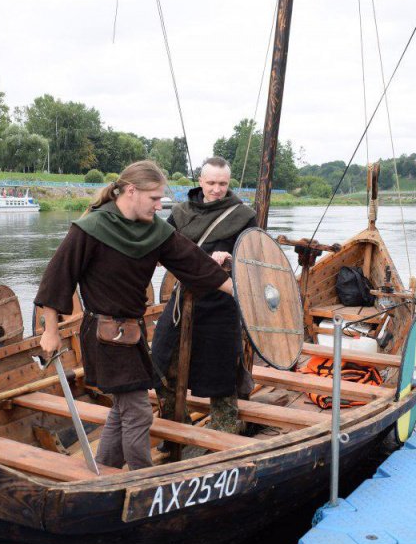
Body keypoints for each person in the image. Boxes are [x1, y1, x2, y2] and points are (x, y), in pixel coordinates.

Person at [35, 160, 233, 470]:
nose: (160, 205)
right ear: (131, 191)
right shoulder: (91, 229)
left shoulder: (155, 231)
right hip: (103, 335)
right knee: (138, 411)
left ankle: (106, 469)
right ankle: (143, 479)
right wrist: (50, 331)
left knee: (123, 408)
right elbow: (57, 278)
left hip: (132, 334)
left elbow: (194, 263)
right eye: (154, 198)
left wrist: (239, 291)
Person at [151, 156, 256, 435]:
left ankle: (224, 434)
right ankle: (178, 428)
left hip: (222, 304)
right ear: (200, 181)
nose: (217, 189)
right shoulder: (182, 212)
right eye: (211, 183)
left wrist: (231, 258)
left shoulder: (243, 215)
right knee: (159, 361)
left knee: (221, 372)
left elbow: (255, 257)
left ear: (229, 183)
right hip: (182, 299)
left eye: (222, 183)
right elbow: (162, 248)